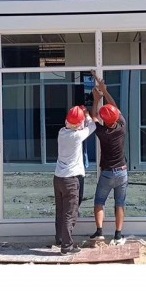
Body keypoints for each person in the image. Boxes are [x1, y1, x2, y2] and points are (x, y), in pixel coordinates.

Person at [53, 105, 96, 255]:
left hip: (58, 178)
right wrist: (88, 115)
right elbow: (92, 126)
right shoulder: (77, 136)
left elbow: (75, 125)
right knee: (70, 213)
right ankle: (67, 247)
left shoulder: (62, 132)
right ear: (79, 124)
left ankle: (60, 239)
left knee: (61, 211)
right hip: (71, 180)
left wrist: (80, 117)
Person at [90, 80, 128, 245]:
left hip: (107, 173)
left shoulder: (102, 132)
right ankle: (118, 235)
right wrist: (104, 91)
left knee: (99, 201)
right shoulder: (121, 127)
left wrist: (96, 100)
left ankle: (99, 232)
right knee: (120, 203)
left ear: (104, 120)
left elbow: (93, 117)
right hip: (122, 171)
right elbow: (114, 108)